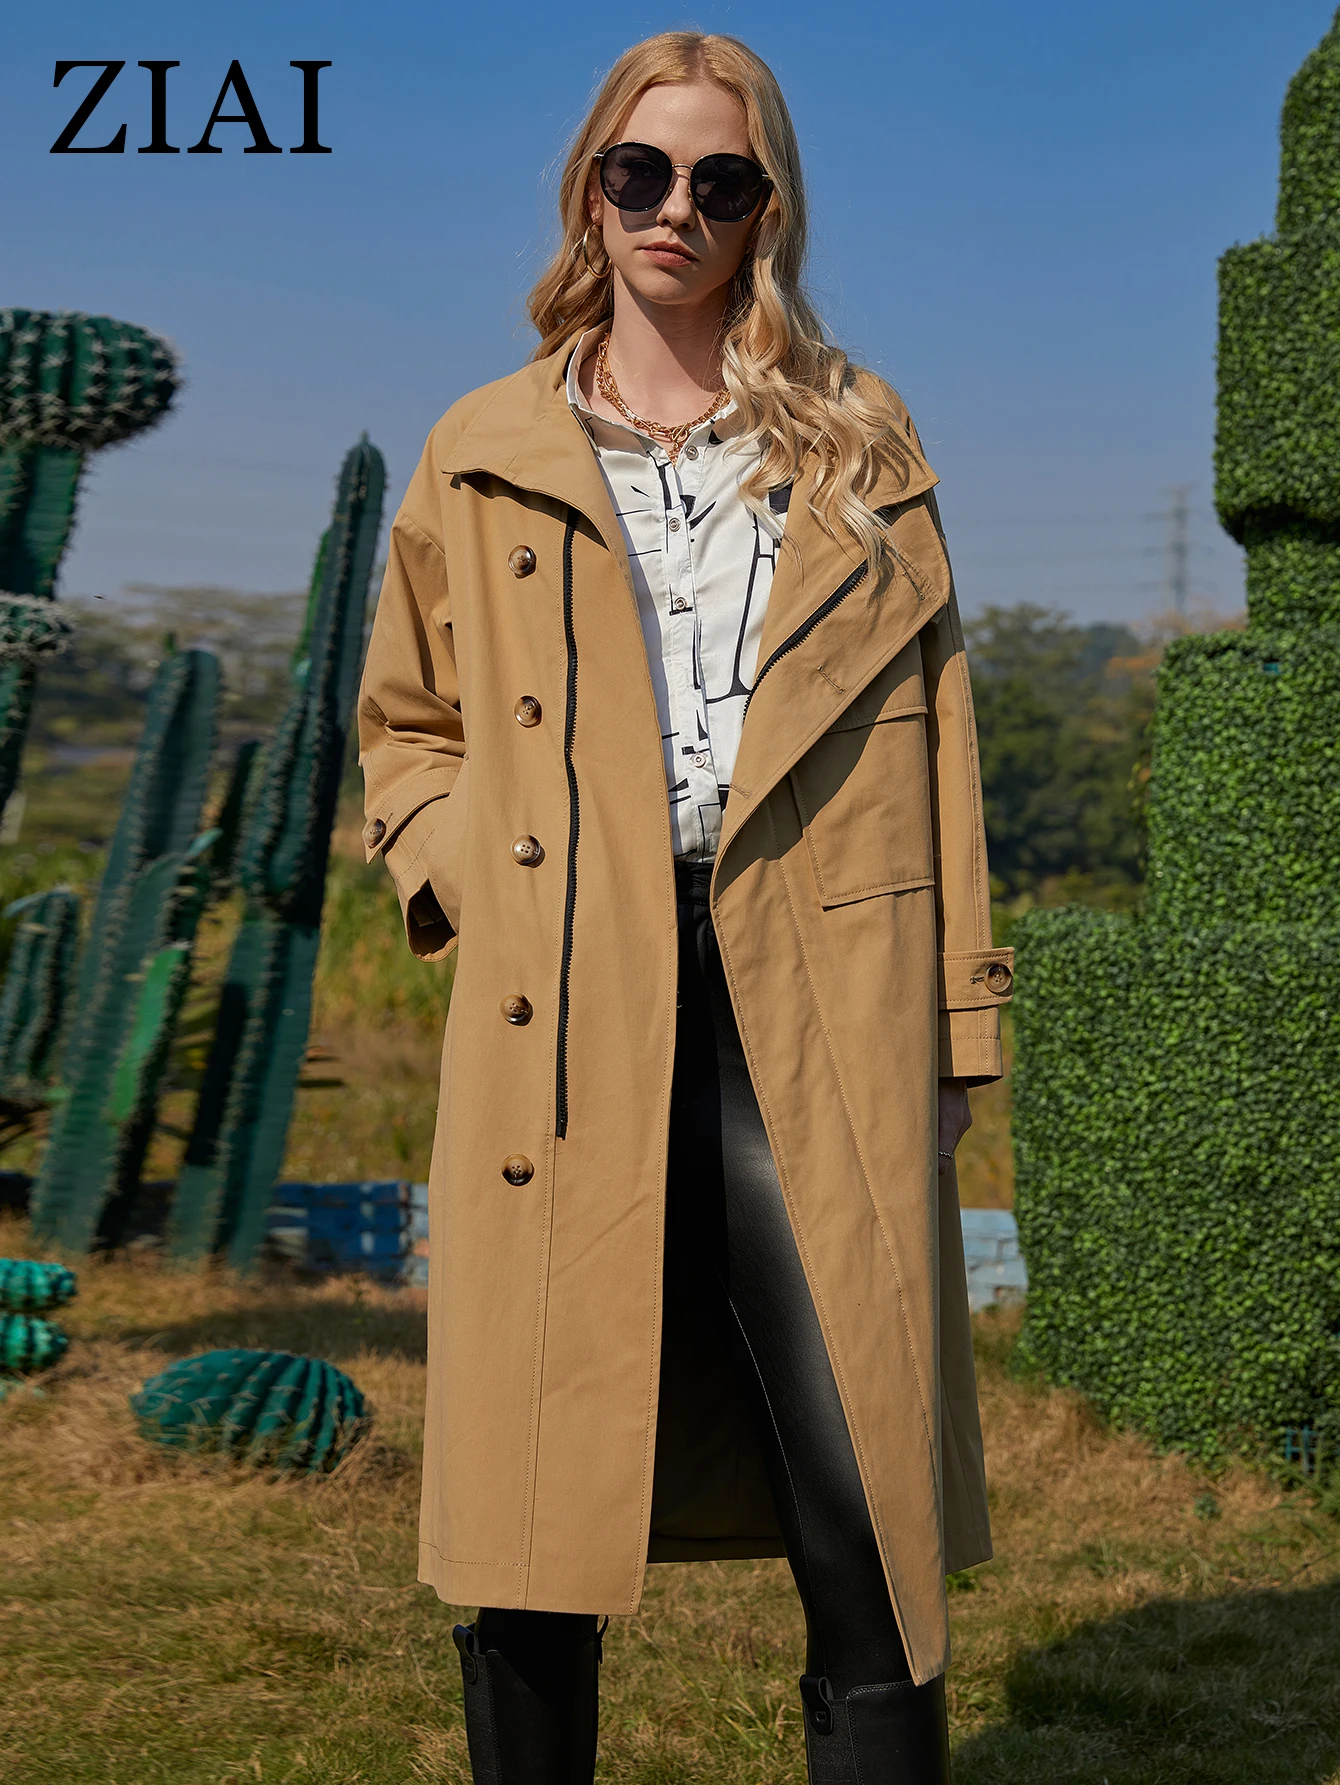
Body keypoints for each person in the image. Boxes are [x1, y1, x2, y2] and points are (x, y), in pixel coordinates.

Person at [357, 30, 1013, 1785]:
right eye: (640, 172)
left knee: (864, 1500)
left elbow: (942, 734)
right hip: (567, 987)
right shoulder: (484, 446)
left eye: (721, 180)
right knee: (532, 1520)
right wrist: (475, 884)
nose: (675, 211)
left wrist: (957, 1027)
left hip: (819, 979)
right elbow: (406, 726)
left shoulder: (862, 439)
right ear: (590, 189)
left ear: (767, 209)